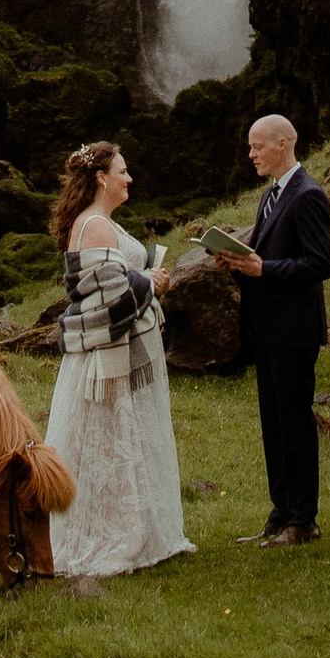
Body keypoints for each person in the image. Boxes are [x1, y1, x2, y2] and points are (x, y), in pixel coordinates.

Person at [42, 140, 194, 576]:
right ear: (100, 179)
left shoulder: (101, 222)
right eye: (122, 171)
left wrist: (144, 277)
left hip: (118, 354)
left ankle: (131, 527)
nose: (129, 178)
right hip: (106, 361)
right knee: (109, 441)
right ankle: (111, 534)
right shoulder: (96, 226)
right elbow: (109, 297)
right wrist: (151, 280)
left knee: (116, 442)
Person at [212, 112, 330, 546]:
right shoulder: (270, 196)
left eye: (256, 146)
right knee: (274, 425)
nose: (250, 154)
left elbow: (321, 264)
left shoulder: (308, 195)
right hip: (267, 330)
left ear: (283, 144)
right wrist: (238, 266)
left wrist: (263, 268)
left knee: (295, 424)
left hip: (295, 331)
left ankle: (304, 520)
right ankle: (281, 513)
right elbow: (265, 263)